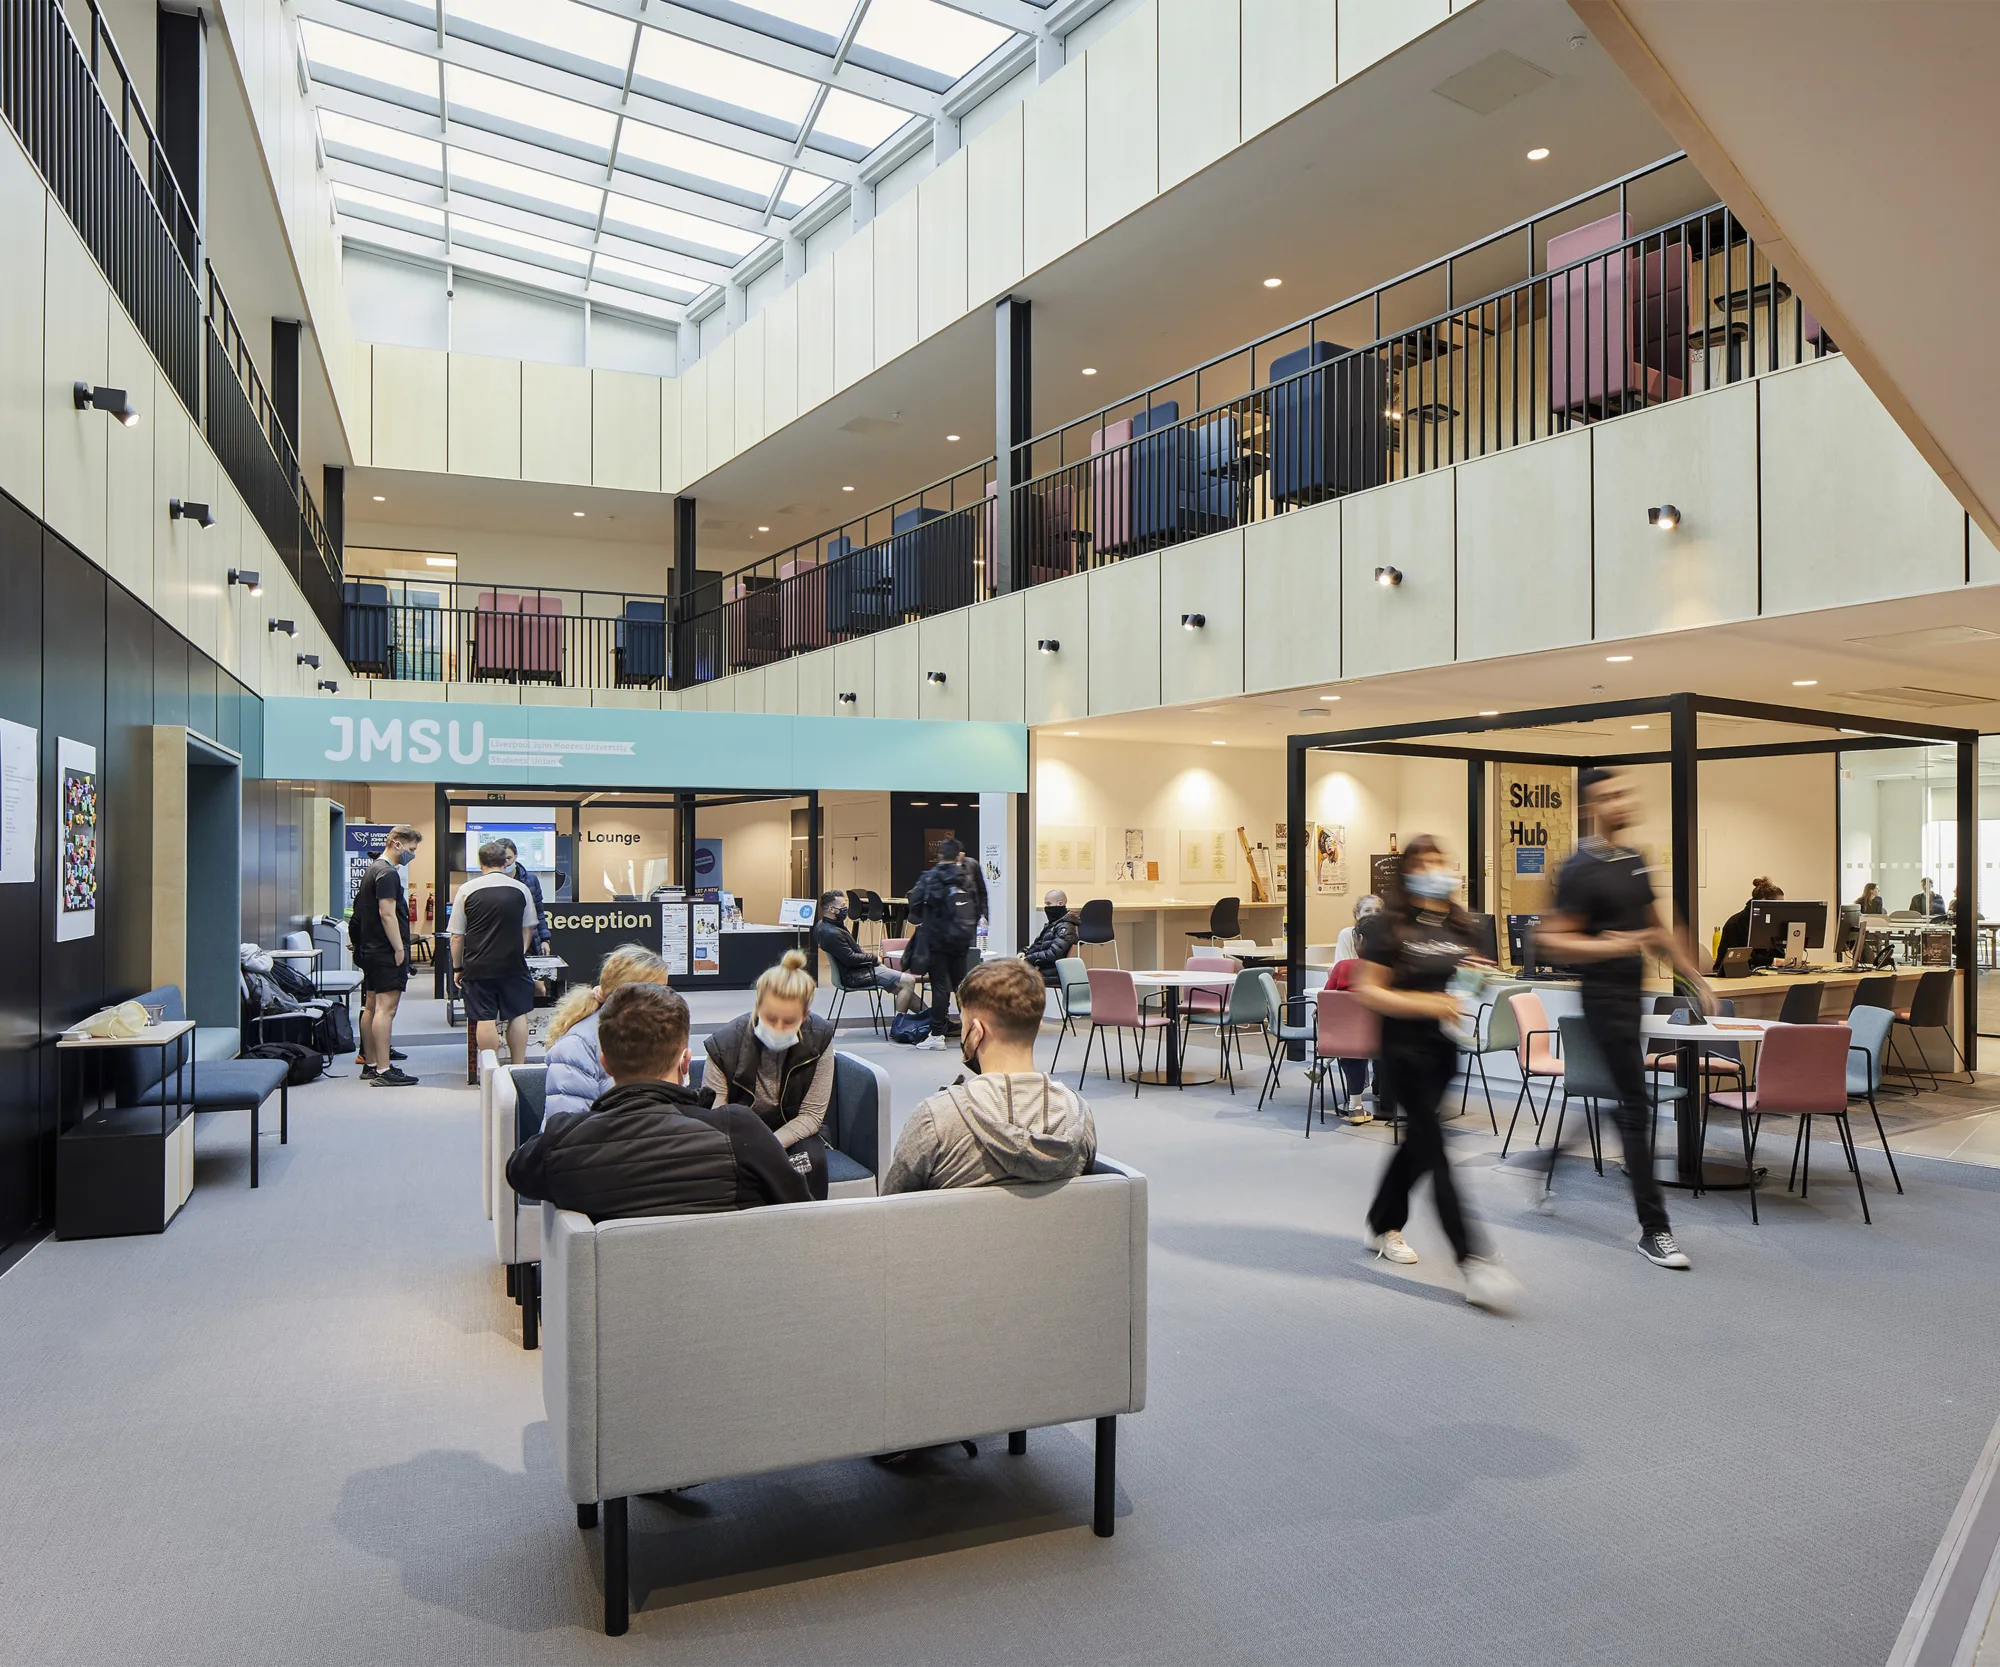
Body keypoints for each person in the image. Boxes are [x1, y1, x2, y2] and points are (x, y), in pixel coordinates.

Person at [1536, 767, 1715, 1272]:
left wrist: (1695, 979)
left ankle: (1548, 1163)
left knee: (1624, 1101)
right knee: (1636, 1105)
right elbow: (1551, 938)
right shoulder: (1579, 868)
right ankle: (1655, 1230)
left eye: (1624, 792)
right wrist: (1605, 943)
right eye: (1610, 795)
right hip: (1601, 1000)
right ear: (1593, 804)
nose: (1621, 801)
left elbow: (1659, 928)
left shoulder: (1634, 860)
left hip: (1632, 997)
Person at [1352, 838, 1519, 1313]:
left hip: (1443, 1049)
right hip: (1400, 1048)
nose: (1433, 870)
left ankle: (1382, 1220)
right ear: (1407, 874)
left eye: (1439, 861)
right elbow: (1370, 992)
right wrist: (1428, 1002)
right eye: (1422, 863)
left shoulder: (1461, 925)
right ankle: (1474, 1260)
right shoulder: (1388, 925)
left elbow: (1462, 982)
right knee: (1437, 1148)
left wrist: (1476, 979)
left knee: (1420, 1145)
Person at [505, 983, 808, 1221]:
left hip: (607, 1298)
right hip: (729, 1295)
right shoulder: (737, 1131)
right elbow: (801, 1211)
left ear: (605, 1064)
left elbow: (516, 1172)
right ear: (685, 1062)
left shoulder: (562, 1141)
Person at [882, 958, 1097, 1193]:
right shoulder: (1078, 1117)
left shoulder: (936, 1120)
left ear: (976, 1032)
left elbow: (891, 1211)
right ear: (1038, 1026)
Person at [703, 951, 838, 1200]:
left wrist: (769, 1146)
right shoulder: (722, 1046)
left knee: (812, 1161)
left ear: (805, 1017)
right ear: (757, 1006)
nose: (777, 1028)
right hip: (737, 1135)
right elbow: (716, 1117)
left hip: (793, 1130)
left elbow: (811, 1115)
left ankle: (809, 1229)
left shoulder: (821, 1037)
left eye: (789, 1022)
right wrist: (754, 1149)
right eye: (770, 1018)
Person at [543, 945, 674, 1121]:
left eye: (666, 990)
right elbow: (568, 1127)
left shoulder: (659, 1033)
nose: (666, 999)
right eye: (657, 992)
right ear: (625, 994)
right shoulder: (577, 1044)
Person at [448, 841, 541, 1067]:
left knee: (485, 1018)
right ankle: (518, 1068)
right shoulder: (521, 889)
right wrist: (518, 952)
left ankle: (490, 1072)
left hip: (478, 964)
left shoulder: (467, 890)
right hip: (513, 964)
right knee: (518, 1014)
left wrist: (457, 967)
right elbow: (528, 928)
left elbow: (457, 936)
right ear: (505, 862)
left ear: (481, 863)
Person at [349, 824, 422, 1087]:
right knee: (385, 1010)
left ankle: (370, 1064)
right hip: (385, 952)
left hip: (369, 951)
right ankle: (383, 1069)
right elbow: (387, 914)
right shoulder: (387, 874)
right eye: (411, 849)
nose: (412, 855)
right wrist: (400, 948)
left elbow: (359, 916)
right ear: (397, 843)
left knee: (370, 1007)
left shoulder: (372, 870)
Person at [905, 837, 988, 1050]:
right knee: (961, 985)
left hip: (936, 941)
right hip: (961, 940)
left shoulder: (930, 877)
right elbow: (978, 904)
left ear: (941, 855)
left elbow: (914, 907)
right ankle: (971, 1031)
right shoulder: (966, 878)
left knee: (940, 987)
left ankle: (937, 1035)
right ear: (959, 855)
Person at [812, 891, 918, 1016]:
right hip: (854, 975)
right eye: (842, 906)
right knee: (908, 980)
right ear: (831, 909)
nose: (845, 909)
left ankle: (931, 1018)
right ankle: (900, 1024)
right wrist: (874, 958)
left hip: (855, 970)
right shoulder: (831, 933)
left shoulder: (825, 926)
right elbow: (850, 959)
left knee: (903, 985)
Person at [1712, 877, 1783, 974]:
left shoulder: (1767, 923)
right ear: (1764, 902)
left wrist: (1788, 960)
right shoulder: (1738, 923)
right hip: (1728, 975)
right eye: (1779, 905)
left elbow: (1776, 951)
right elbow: (1746, 956)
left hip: (1755, 973)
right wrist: (1775, 961)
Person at [499, 838, 551, 955]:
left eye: (509, 858)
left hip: (528, 942)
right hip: (500, 942)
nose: (506, 863)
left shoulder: (530, 880)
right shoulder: (491, 882)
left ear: (516, 856)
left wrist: (545, 940)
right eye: (502, 859)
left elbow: (539, 913)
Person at [1021, 888, 1081, 986]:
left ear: (1060, 904)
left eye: (1048, 904)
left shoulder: (1065, 927)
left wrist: (1028, 959)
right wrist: (1024, 952)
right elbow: (1039, 945)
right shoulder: (1053, 925)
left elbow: (1053, 954)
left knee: (1008, 979)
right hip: (1042, 969)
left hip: (1051, 973)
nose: (1046, 907)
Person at [1333, 895, 1382, 966]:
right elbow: (1341, 967)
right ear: (1357, 915)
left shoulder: (1387, 936)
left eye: (1378, 911)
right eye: (1367, 910)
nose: (1373, 914)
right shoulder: (1347, 934)